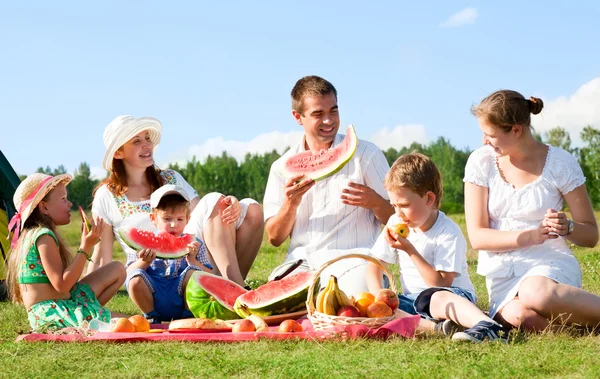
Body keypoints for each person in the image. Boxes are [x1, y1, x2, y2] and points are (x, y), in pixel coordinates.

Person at [464, 90, 600, 332]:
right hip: (502, 274)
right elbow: (477, 237)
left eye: (490, 135)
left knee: (534, 293)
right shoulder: (481, 162)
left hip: (549, 266)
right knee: (521, 317)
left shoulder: (560, 163)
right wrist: (532, 235)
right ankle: (584, 327)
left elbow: (590, 236)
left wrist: (567, 227)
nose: (485, 141)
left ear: (516, 130)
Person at [90, 115, 263, 288]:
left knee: (251, 208)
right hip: (150, 274)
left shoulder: (170, 177)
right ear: (119, 153)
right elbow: (102, 257)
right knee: (214, 200)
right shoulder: (106, 195)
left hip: (193, 258)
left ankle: (228, 285)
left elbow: (203, 211)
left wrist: (227, 203)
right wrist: (83, 293)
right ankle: (237, 290)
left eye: (147, 138)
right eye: (136, 141)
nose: (147, 145)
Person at [263, 75, 394, 295]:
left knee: (357, 296)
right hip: (302, 262)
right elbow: (274, 238)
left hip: (354, 258)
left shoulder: (366, 155)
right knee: (271, 303)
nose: (329, 120)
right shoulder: (281, 168)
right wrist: (290, 204)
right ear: (298, 117)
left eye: (333, 111)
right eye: (318, 114)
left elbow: (398, 218)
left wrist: (374, 201)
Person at [365, 153, 507, 342]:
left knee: (437, 298)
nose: (398, 213)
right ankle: (438, 328)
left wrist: (411, 251)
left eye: (404, 205)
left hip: (452, 295)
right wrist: (378, 298)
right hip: (414, 300)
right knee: (385, 313)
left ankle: (488, 325)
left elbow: (440, 283)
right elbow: (374, 265)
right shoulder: (395, 222)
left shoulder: (448, 231)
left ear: (429, 199)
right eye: (394, 205)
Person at [6, 173, 125, 331]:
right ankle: (90, 317)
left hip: (54, 306)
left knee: (117, 269)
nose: (69, 204)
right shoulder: (44, 237)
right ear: (44, 207)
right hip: (54, 311)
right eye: (63, 199)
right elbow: (62, 286)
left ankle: (91, 313)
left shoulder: (32, 235)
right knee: (127, 322)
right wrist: (85, 247)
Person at [126, 184, 212, 323]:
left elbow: (209, 277)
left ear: (188, 219)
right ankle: (151, 317)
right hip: (153, 296)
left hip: (183, 299)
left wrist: (193, 261)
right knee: (135, 279)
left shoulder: (195, 244)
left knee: (194, 273)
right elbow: (127, 274)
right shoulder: (141, 246)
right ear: (153, 219)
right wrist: (144, 261)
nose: (174, 225)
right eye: (167, 219)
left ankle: (188, 316)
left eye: (180, 219)